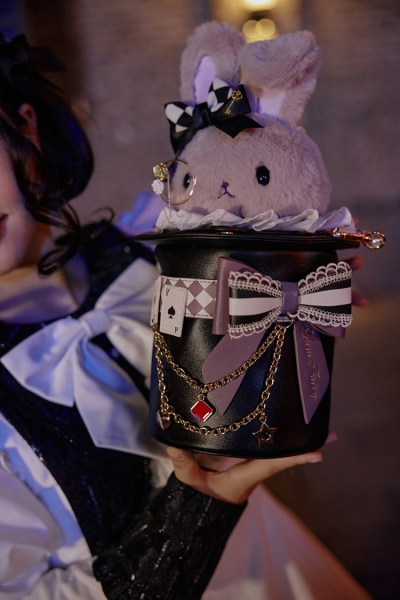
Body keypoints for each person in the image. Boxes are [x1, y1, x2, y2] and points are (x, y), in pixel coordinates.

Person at [0, 34, 372, 600]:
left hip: (280, 563)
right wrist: (199, 511)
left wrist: (294, 293)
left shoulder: (147, 248)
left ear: (22, 123)